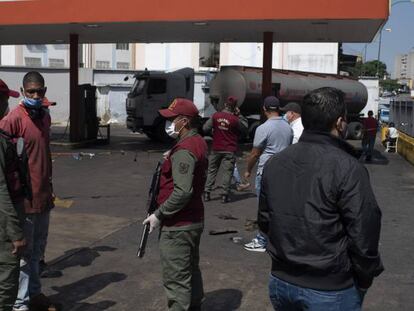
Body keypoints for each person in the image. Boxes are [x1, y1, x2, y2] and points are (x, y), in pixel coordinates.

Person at [259, 87, 384, 311]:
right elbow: (364, 230)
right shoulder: (348, 167)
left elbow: (265, 221)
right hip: (329, 289)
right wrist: (364, 278)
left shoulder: (275, 162)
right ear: (339, 122)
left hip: (281, 281)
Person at [143, 98, 208, 311]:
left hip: (178, 225)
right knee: (191, 269)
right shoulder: (197, 140)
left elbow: (182, 192)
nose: (169, 123)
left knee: (176, 280)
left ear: (184, 121)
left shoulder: (185, 149)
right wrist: (174, 155)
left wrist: (159, 215)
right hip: (193, 219)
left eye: (172, 119)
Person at [0, 72, 55, 311]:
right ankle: (20, 304)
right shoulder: (12, 120)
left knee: (38, 251)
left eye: (39, 91)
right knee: (23, 254)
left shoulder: (45, 116)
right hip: (25, 201)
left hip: (43, 197)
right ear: (22, 92)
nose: (35, 95)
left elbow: (44, 156)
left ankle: (34, 293)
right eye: (30, 91)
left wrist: (49, 189)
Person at [243, 96, 292, 252]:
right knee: (278, 206)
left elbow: (255, 154)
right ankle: (276, 239)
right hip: (283, 170)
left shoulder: (263, 128)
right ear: (278, 109)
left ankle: (262, 240)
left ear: (264, 109)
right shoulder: (288, 127)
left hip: (266, 171)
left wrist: (247, 170)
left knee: (263, 207)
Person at [0, 80, 26, 311]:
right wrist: (16, 233)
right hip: (4, 228)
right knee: (6, 288)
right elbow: (1, 189)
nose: (7, 103)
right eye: (4, 99)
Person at [203, 96, 248, 203]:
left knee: (212, 171)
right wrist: (239, 115)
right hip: (229, 149)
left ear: (225, 105)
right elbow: (245, 128)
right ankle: (224, 195)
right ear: (235, 107)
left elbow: (205, 128)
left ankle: (207, 193)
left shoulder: (215, 115)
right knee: (227, 172)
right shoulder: (235, 119)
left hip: (216, 148)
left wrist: (214, 131)